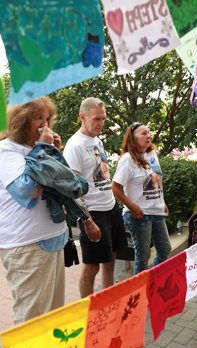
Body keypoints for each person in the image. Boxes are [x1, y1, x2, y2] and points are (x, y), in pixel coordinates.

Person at [0, 96, 100, 325]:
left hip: (53, 240)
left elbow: (66, 186)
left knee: (52, 316)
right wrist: (44, 149)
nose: (45, 124)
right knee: (31, 320)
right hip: (27, 245)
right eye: (37, 117)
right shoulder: (6, 149)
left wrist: (51, 153)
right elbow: (26, 190)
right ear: (21, 121)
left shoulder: (38, 149)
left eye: (46, 117)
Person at [64, 97, 127, 298]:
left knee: (110, 261)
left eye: (103, 119)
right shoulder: (74, 145)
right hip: (93, 213)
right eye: (96, 119)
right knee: (91, 266)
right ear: (83, 117)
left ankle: (108, 303)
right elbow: (74, 190)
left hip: (110, 208)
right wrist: (88, 220)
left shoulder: (97, 141)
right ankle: (87, 311)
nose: (101, 123)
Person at [112, 122, 172, 274]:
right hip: (139, 215)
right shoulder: (127, 159)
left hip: (157, 211)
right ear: (133, 138)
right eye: (143, 133)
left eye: (149, 132)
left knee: (165, 249)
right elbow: (116, 188)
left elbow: (158, 179)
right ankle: (140, 293)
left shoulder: (151, 154)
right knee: (143, 256)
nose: (148, 136)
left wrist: (162, 201)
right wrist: (133, 207)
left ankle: (155, 283)